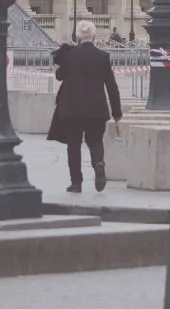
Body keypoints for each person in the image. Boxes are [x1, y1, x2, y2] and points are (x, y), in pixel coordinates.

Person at [48, 19, 122, 193]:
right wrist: (117, 112)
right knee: (95, 141)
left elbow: (59, 75)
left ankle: (76, 183)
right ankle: (98, 163)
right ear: (94, 36)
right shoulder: (103, 57)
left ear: (78, 37)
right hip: (96, 109)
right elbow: (111, 86)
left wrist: (62, 56)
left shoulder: (70, 55)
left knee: (73, 145)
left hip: (72, 109)